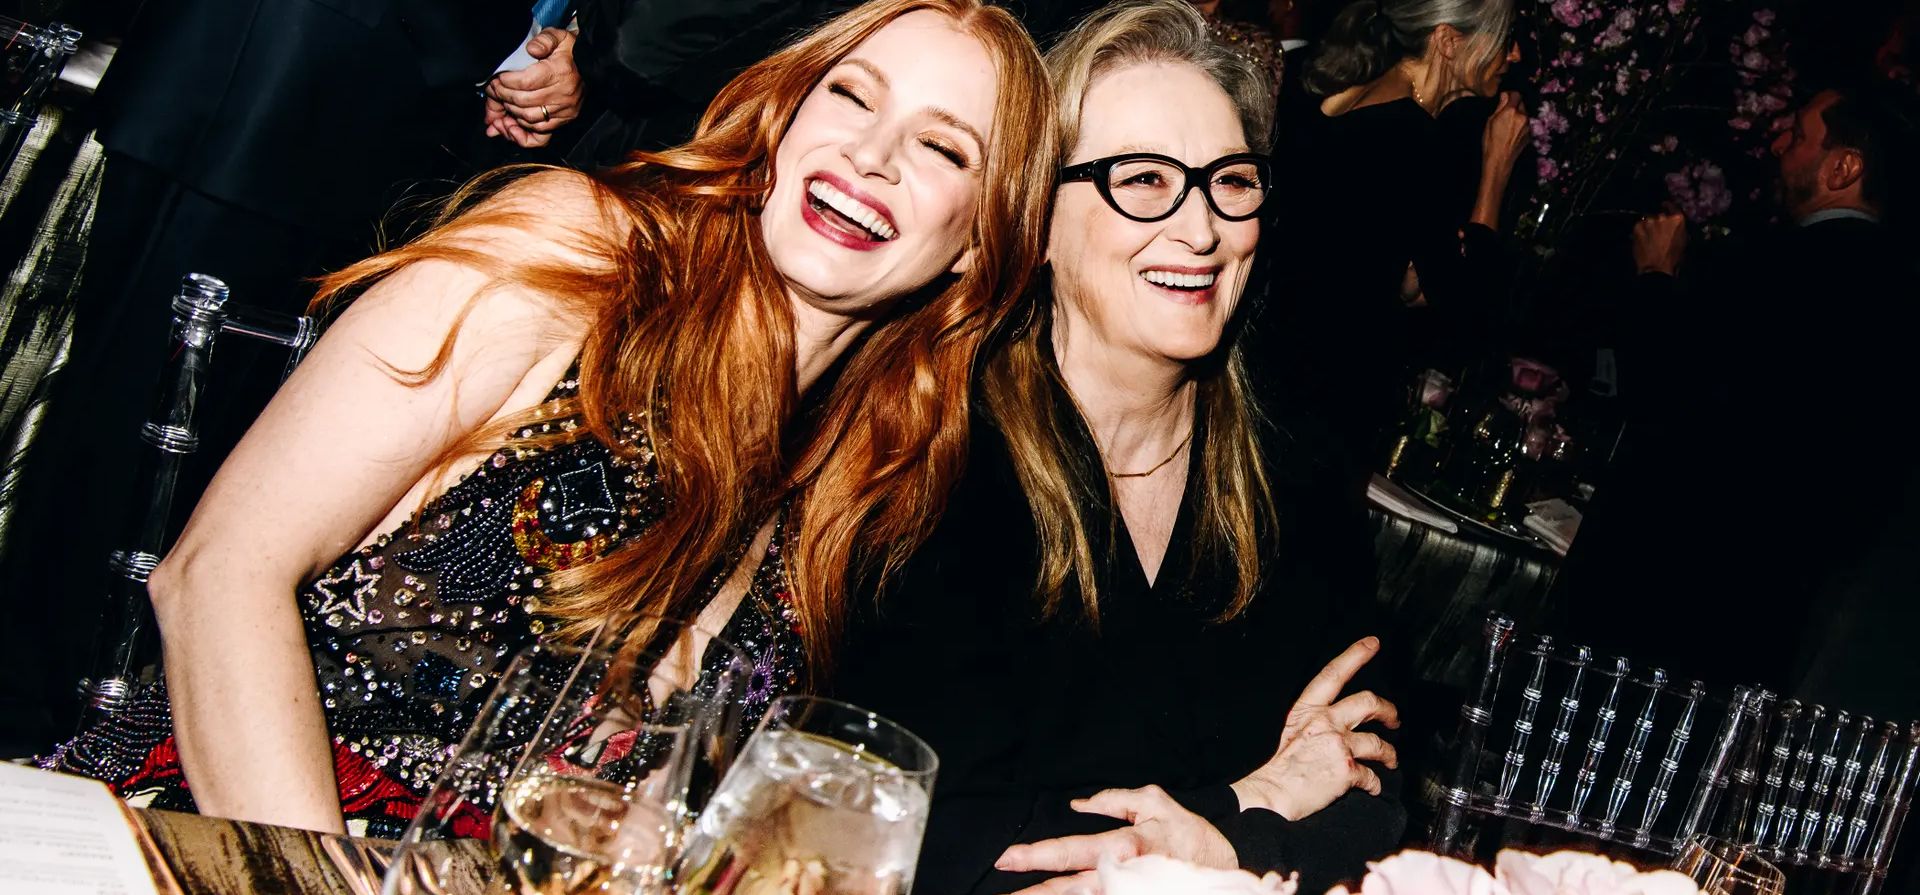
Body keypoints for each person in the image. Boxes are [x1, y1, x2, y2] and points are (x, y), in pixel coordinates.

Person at [42, 0, 1055, 838]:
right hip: (209, 838)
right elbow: (218, 570)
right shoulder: (583, 258)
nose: (873, 154)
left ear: (979, 240)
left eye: (940, 148)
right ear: (782, 120)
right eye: (850, 96)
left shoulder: (850, 480)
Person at [829, 3, 1403, 892]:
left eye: (1232, 180)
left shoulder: (1298, 478)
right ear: (1037, 215)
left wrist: (1220, 837)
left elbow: (1374, 803)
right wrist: (1250, 812)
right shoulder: (933, 458)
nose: (1202, 228)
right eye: (1141, 179)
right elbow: (943, 844)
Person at [0, 0, 582, 752]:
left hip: (360, 130)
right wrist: (505, 57)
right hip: (269, 97)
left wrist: (557, 45)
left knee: (205, 482)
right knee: (123, 467)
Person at [1557, 84, 1919, 692]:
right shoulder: (1900, 303)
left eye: (1800, 136)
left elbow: (1662, 392)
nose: (1779, 145)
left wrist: (1654, 277)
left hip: (1665, 589)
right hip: (1767, 620)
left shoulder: (1779, 267)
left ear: (1845, 166)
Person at [1256, 0, 1528, 494]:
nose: (1514, 55)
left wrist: (1396, 282)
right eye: (1503, 37)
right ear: (1448, 41)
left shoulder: (1354, 100)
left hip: (1277, 396)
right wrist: (1496, 173)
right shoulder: (1413, 139)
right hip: (1316, 424)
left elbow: (1356, 261)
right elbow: (1468, 316)